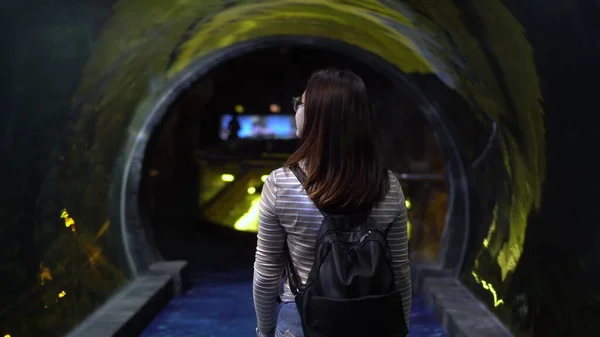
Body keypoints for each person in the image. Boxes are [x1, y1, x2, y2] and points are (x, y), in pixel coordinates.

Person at [253, 69, 412, 337]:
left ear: (317, 116)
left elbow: (267, 275)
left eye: (300, 103)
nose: (296, 109)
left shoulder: (280, 184)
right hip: (372, 322)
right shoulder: (388, 184)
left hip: (302, 320)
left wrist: (266, 331)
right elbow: (400, 274)